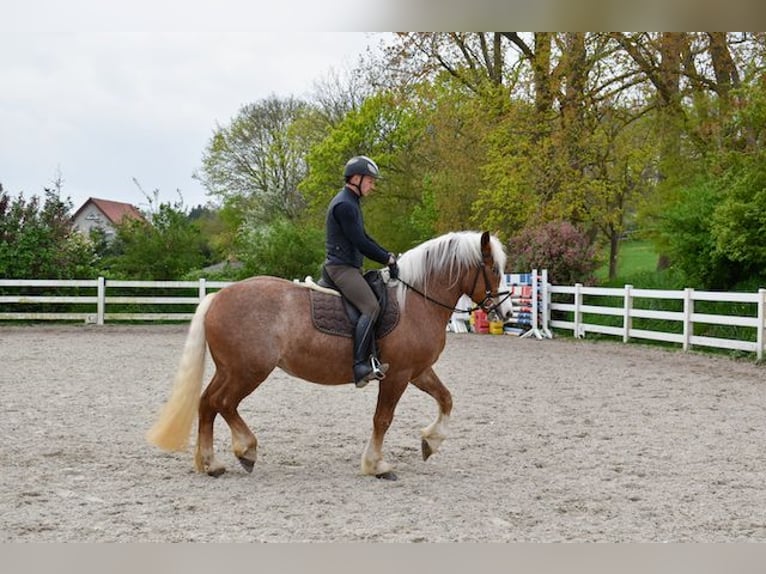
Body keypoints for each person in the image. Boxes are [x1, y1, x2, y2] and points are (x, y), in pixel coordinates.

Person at [323, 155, 398, 388]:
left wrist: (388, 254)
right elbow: (360, 242)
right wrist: (387, 258)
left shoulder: (351, 201)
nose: (372, 186)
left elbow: (364, 238)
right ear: (356, 178)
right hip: (341, 268)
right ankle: (360, 366)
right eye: (370, 181)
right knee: (371, 307)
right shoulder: (346, 204)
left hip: (348, 266)